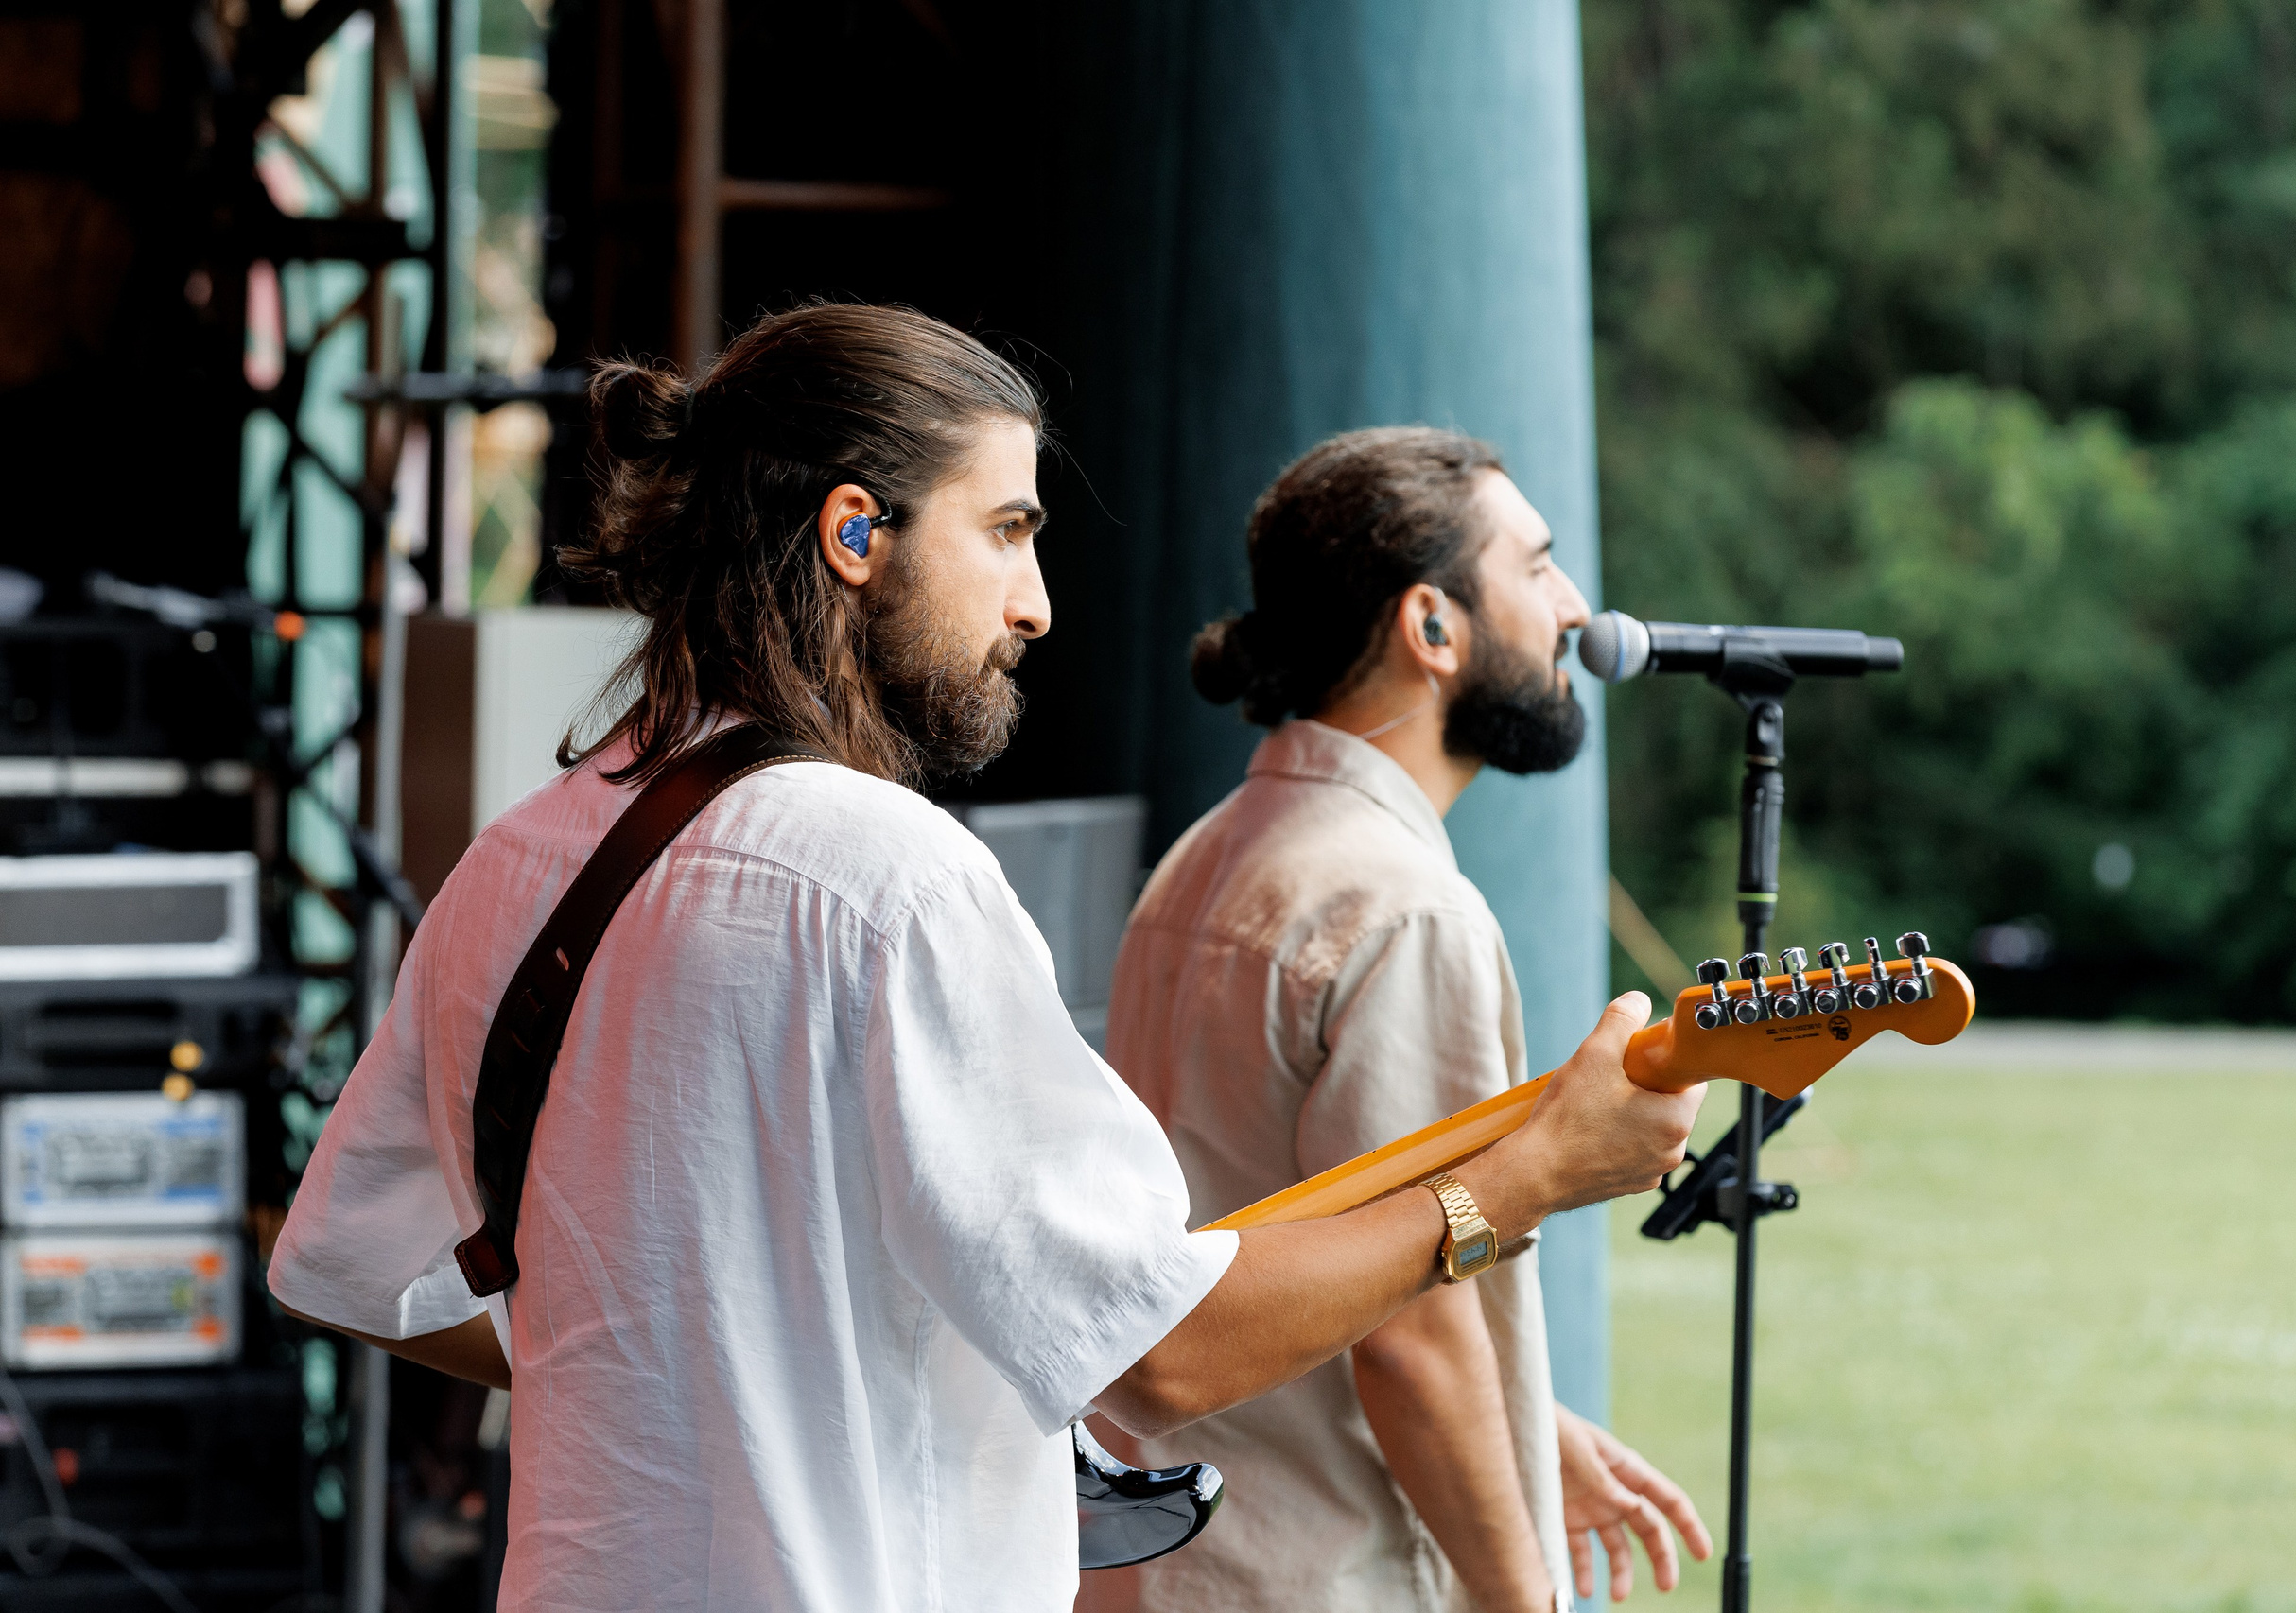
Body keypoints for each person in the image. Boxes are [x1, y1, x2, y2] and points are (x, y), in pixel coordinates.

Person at [266, 305, 1705, 1613]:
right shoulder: (889, 880)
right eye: (1008, 529)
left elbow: (343, 1265)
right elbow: (1159, 1356)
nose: (1039, 604)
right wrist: (1531, 1174)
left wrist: (676, 1361)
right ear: (853, 535)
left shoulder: (513, 860)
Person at [1086, 428, 1714, 1613]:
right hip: (1320, 1573)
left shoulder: (1204, 856)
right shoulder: (1406, 908)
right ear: (1433, 628)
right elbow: (1408, 1339)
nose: (1576, 608)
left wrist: (1532, 1423)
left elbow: (1303, 1245)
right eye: (1535, 566)